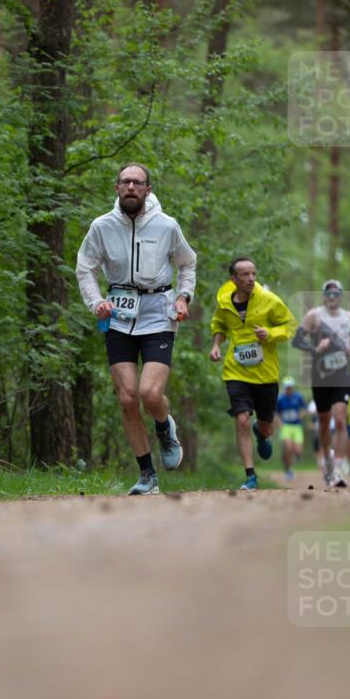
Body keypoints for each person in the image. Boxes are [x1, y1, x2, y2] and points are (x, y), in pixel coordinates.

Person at [76, 163, 196, 495]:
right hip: (117, 313)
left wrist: (184, 297)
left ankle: (164, 426)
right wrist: (96, 301)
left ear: (148, 189)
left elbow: (186, 263)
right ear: (117, 188)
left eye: (137, 182)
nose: (131, 186)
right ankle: (147, 476)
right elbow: (85, 268)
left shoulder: (167, 225)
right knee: (127, 398)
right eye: (125, 182)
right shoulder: (101, 226)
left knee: (150, 394)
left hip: (158, 310)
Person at [209, 258, 297, 490]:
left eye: (253, 274)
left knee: (266, 425)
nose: (250, 279)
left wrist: (270, 333)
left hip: (266, 373)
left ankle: (262, 432)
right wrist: (216, 345)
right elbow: (219, 325)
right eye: (245, 275)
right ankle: (250, 476)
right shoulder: (224, 302)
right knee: (242, 419)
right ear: (234, 279)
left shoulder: (269, 301)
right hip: (235, 371)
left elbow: (290, 326)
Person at [293, 280, 350, 487]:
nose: (332, 298)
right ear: (324, 296)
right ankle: (327, 460)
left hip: (342, 373)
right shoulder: (314, 316)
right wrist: (315, 348)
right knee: (324, 421)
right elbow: (297, 340)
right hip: (321, 375)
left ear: (341, 296)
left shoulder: (349, 317)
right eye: (329, 294)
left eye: (336, 294)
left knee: (340, 420)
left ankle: (338, 468)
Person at [275, 376, 307, 481]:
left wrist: (300, 415)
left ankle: (290, 460)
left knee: (298, 451)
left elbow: (304, 409)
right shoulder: (280, 399)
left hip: (296, 426)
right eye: (287, 387)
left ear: (293, 387)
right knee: (288, 447)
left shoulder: (298, 397)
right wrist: (279, 423)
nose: (289, 389)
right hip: (286, 426)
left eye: (291, 387)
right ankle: (288, 470)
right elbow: (276, 414)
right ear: (284, 387)